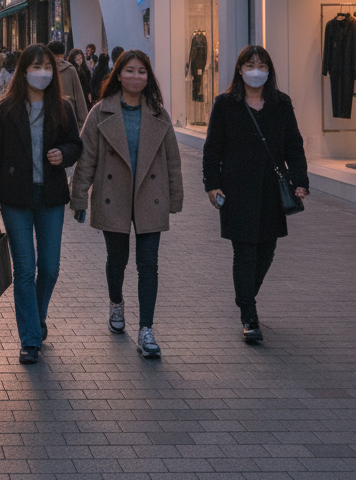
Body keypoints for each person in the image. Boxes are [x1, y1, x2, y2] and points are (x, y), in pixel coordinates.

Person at [70, 50, 183, 359]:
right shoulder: (100, 112)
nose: (136, 77)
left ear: (149, 77)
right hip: (113, 195)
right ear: (118, 75)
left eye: (142, 72)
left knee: (148, 264)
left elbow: (172, 160)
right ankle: (116, 303)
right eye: (130, 71)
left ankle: (146, 329)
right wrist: (79, 197)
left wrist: (175, 196)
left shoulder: (159, 114)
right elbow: (87, 158)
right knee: (117, 260)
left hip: (151, 195)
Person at [202, 45, 309, 344]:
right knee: (244, 252)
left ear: (269, 70)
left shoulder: (281, 104)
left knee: (267, 250)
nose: (256, 71)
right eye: (250, 65)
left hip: (272, 190)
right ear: (239, 69)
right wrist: (212, 184)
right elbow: (212, 149)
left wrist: (300, 180)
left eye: (261, 66)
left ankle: (245, 296)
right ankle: (249, 315)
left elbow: (294, 146)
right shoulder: (225, 104)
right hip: (236, 189)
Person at [0, 45, 82, 364]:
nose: (43, 72)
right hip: (16, 198)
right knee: (25, 269)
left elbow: (75, 144)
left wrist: (63, 154)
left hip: (50, 195)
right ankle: (30, 338)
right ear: (23, 70)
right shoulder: (6, 109)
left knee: (49, 268)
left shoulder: (62, 107)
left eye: (47, 66)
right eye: (36, 66)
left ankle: (37, 318)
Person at [46, 40, 89, 130]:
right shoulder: (70, 69)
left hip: (47, 120)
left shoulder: (43, 70)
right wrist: (83, 124)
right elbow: (79, 96)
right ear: (63, 54)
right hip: (69, 120)